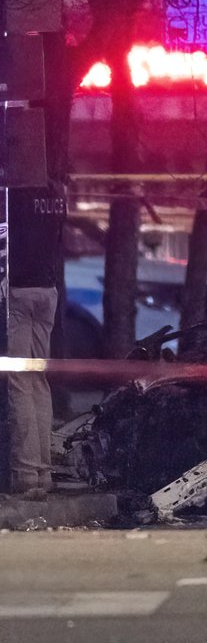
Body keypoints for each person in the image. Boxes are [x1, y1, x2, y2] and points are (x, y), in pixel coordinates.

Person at [6, 179, 67, 498]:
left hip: (18, 290)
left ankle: (26, 474)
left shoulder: (12, 192)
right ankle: (44, 472)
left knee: (18, 380)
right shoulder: (56, 194)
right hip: (47, 290)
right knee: (38, 380)